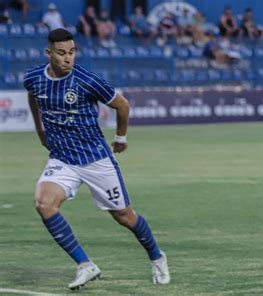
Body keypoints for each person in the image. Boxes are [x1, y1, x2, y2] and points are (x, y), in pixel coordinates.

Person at [23, 28, 170, 290]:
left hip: (95, 159)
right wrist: (40, 130)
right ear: (49, 53)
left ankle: (157, 256)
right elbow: (33, 97)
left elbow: (122, 105)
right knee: (43, 204)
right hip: (62, 159)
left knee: (124, 217)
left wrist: (121, 138)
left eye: (72, 52)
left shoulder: (87, 80)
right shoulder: (34, 78)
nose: (68, 58)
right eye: (61, 53)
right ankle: (85, 265)